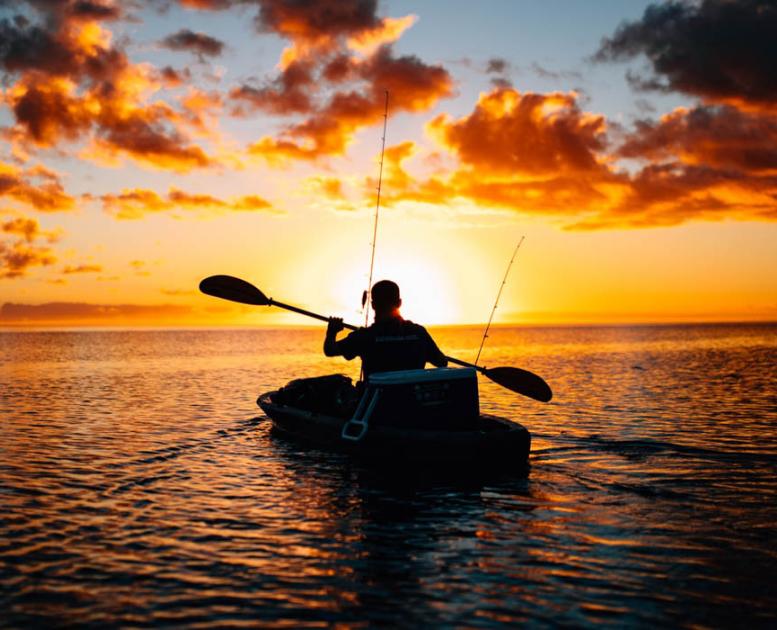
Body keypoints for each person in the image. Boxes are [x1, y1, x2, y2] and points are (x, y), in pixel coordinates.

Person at [324, 280, 448, 378]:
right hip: (412, 405)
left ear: (373, 305)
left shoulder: (364, 337)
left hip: (377, 407)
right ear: (399, 303)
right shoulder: (419, 333)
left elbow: (330, 350)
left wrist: (332, 332)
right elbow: (442, 362)